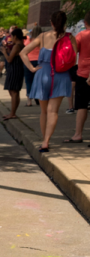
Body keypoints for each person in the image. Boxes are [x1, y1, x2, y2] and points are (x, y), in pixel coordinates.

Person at [24, 10, 75, 152]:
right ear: (65, 23)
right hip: (61, 75)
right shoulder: (70, 38)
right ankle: (47, 140)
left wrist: (32, 68)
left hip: (43, 73)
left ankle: (43, 140)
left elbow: (23, 52)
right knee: (53, 111)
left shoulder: (42, 36)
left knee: (44, 111)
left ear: (51, 23)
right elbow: (73, 59)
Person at [67, 10, 90, 143]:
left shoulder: (81, 35)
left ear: (85, 23)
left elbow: (73, 51)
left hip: (83, 73)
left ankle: (78, 134)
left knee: (81, 105)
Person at [23, 26, 40, 106]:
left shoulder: (28, 40)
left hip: (28, 61)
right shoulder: (42, 41)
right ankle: (38, 98)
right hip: (39, 62)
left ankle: (29, 101)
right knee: (38, 81)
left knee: (28, 81)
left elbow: (24, 48)